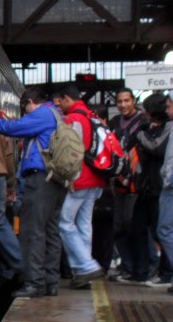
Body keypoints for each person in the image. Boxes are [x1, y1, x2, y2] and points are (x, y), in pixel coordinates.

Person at [0, 87, 67, 298]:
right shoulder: (56, 114)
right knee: (51, 231)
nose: (25, 112)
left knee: (33, 232)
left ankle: (35, 283)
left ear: (29, 102)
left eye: (25, 108)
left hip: (41, 179)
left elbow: (15, 128)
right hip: (54, 180)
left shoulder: (42, 114)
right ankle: (50, 282)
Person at [52, 85, 107, 289]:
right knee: (84, 225)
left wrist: (71, 178)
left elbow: (72, 152)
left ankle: (86, 266)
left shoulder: (74, 119)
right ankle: (83, 274)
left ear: (67, 99)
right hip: (96, 178)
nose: (61, 106)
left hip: (81, 178)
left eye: (61, 101)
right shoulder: (92, 116)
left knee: (64, 222)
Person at [128, 94, 171, 286]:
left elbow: (157, 148)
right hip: (146, 186)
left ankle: (166, 273)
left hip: (160, 187)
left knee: (161, 231)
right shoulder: (150, 128)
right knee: (137, 229)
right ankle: (141, 271)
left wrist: (141, 135)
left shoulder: (168, 127)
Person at [109, 88, 147, 279]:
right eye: (119, 101)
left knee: (133, 226)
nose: (123, 105)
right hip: (119, 182)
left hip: (137, 182)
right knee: (119, 226)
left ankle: (141, 269)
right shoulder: (115, 122)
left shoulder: (143, 122)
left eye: (126, 101)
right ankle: (128, 267)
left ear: (134, 101)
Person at [0, 97, 22, 282]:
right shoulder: (0, 124)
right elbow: (9, 155)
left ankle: (17, 263)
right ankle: (11, 264)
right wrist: (11, 183)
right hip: (0, 176)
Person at [90, 104, 115, 279]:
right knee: (96, 231)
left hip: (106, 190)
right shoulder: (109, 137)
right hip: (98, 189)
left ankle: (103, 265)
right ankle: (98, 264)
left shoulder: (106, 138)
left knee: (105, 232)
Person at [152, 95, 173, 295]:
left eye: (169, 106)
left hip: (170, 187)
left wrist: (167, 179)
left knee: (165, 230)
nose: (167, 111)